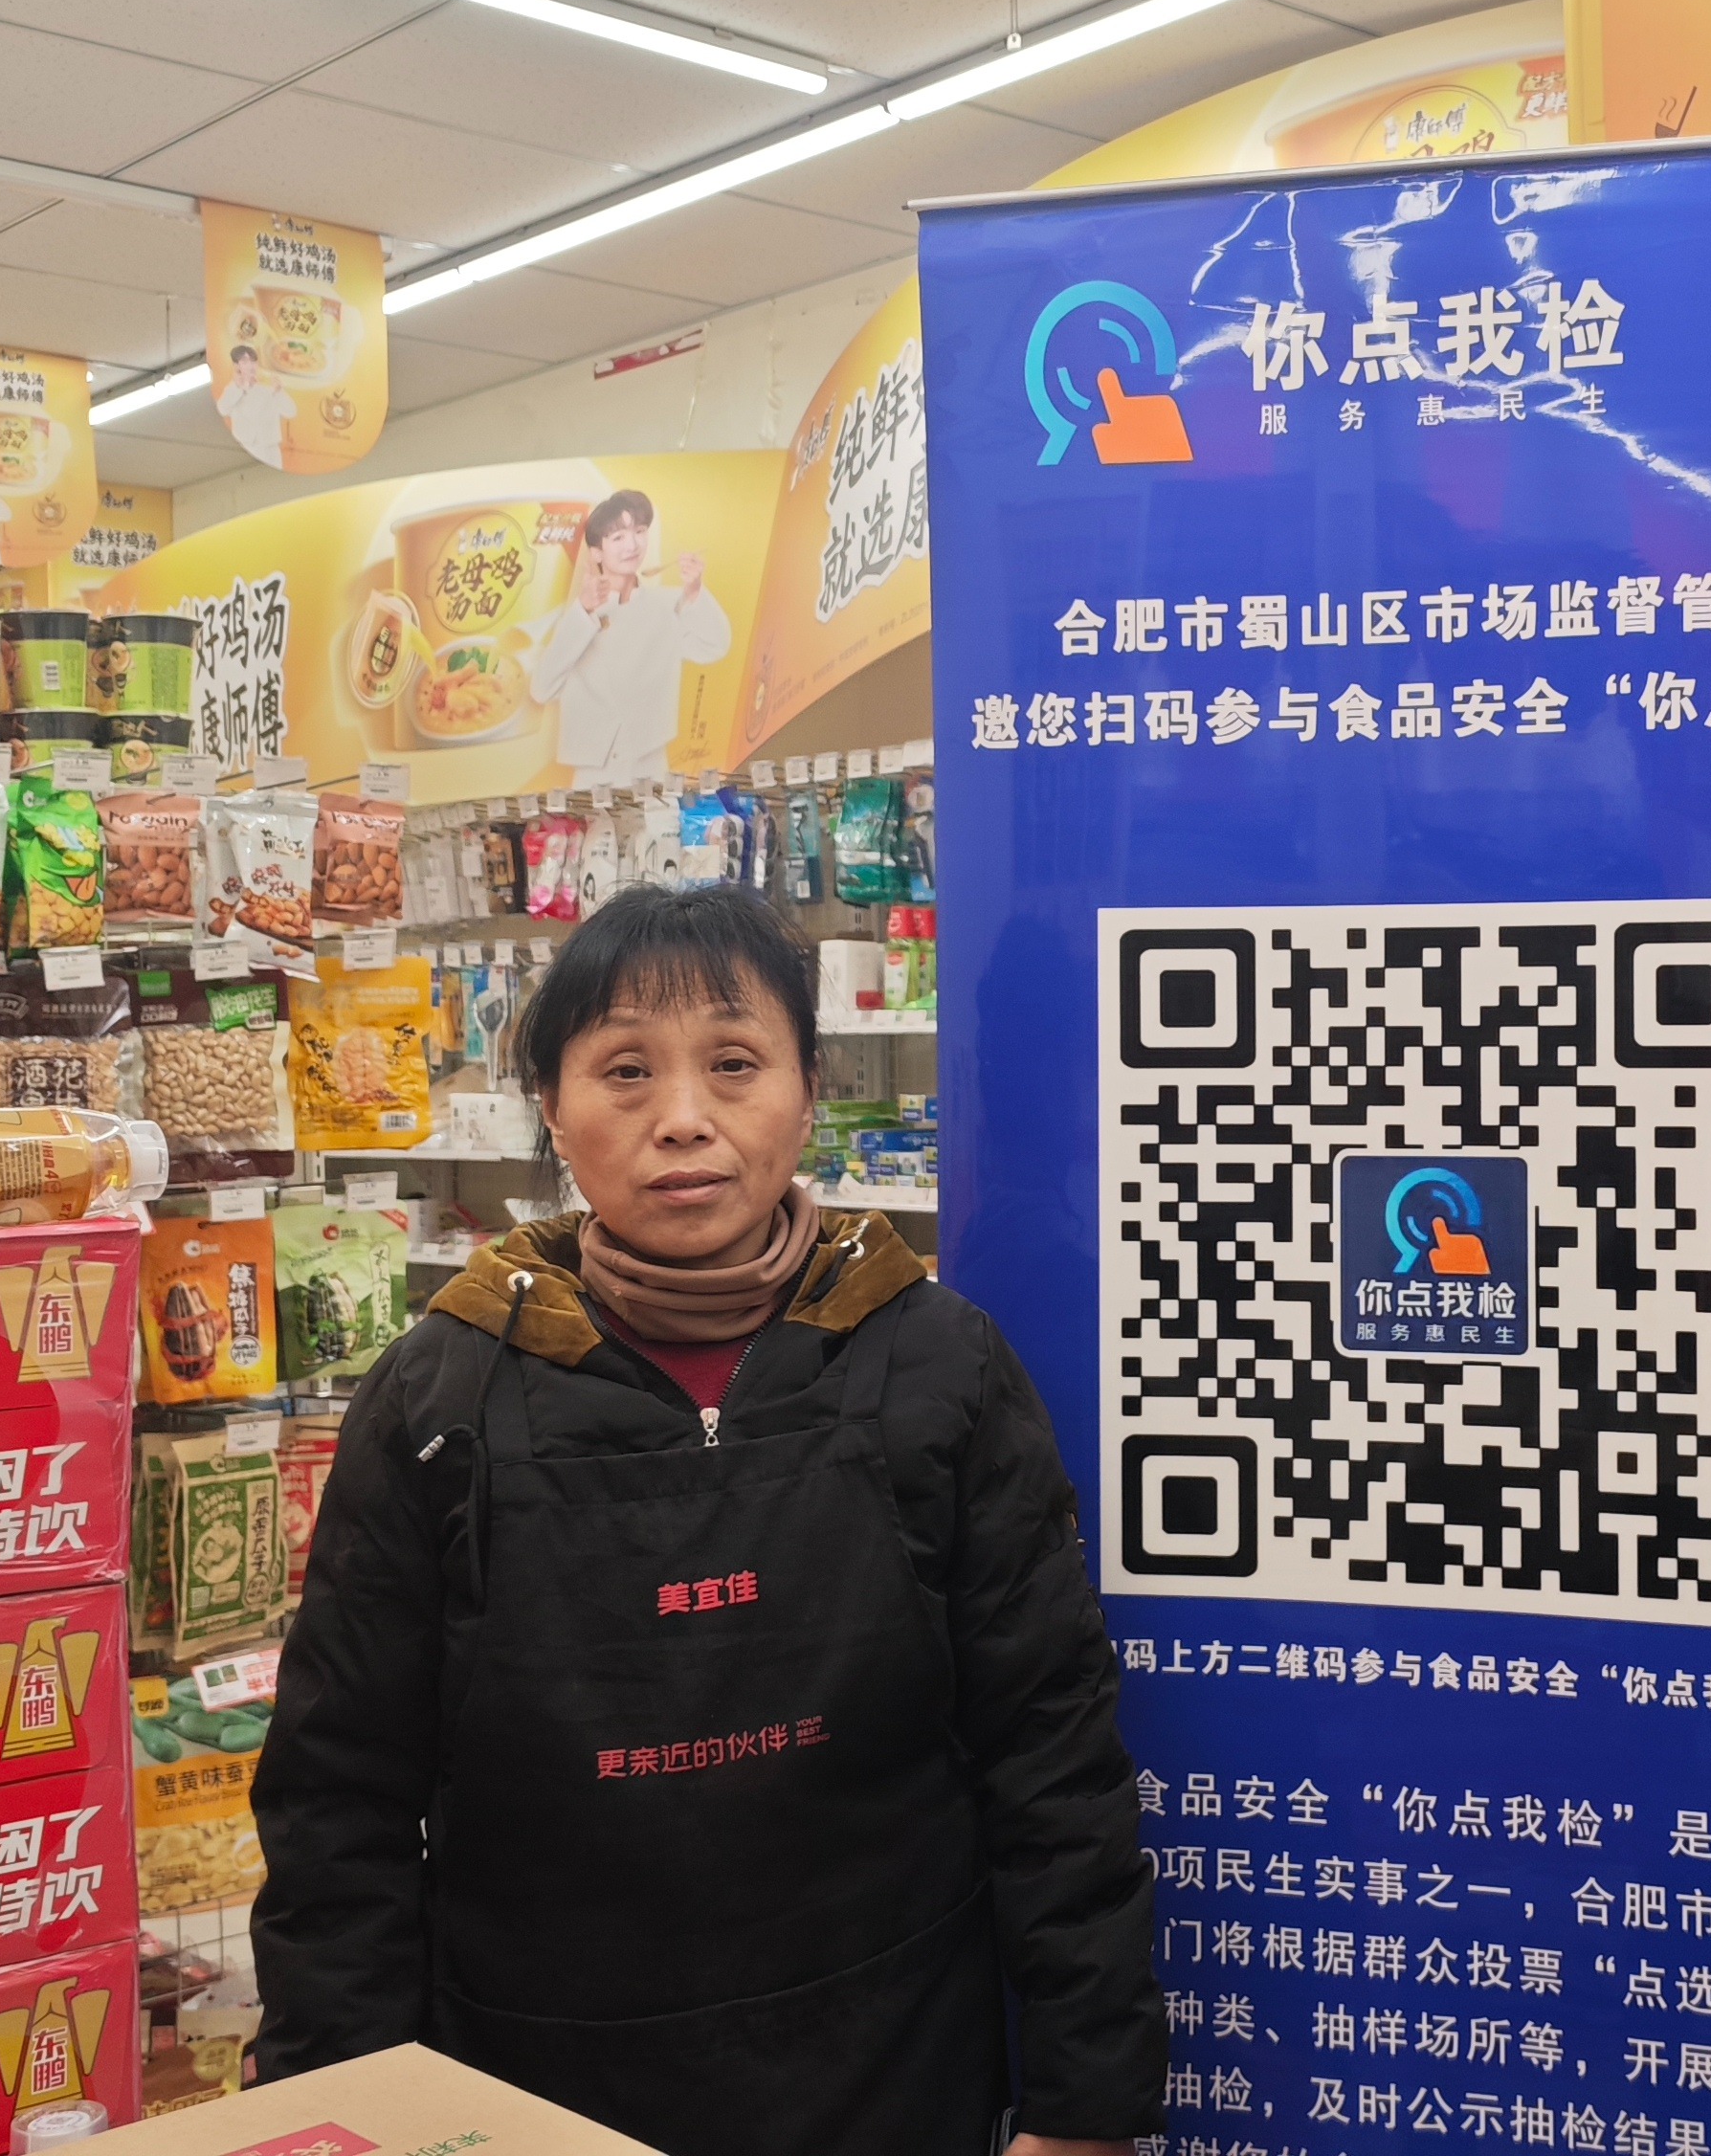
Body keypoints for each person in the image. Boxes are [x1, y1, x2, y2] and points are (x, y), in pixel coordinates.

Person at [252, 881, 1163, 2154]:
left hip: (889, 2062)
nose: (683, 1118)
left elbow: (1050, 1749)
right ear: (552, 1108)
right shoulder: (441, 1396)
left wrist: (1086, 2105)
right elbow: (337, 1802)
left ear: (808, 1090)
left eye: (734, 1063)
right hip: (530, 2086)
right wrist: (343, 2114)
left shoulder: (935, 1365)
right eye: (625, 1070)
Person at [535, 487, 727, 787]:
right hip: (593, 775)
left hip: (650, 768)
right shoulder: (579, 616)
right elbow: (542, 689)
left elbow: (714, 645)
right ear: (596, 552)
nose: (633, 545)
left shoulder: (667, 605)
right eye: (618, 537)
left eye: (639, 531)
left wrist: (694, 593)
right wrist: (583, 612)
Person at [215, 342, 295, 466]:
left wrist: (279, 392)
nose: (251, 366)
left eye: (253, 361)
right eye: (245, 361)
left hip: (270, 448)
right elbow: (223, 409)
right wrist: (239, 387)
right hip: (245, 446)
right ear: (237, 366)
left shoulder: (267, 390)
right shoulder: (233, 390)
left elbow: (291, 412)